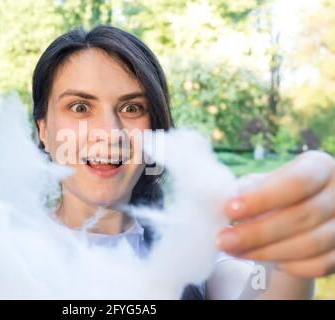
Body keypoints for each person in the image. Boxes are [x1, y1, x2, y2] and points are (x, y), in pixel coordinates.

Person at [31, 25, 335, 299]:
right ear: (43, 129)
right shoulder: (3, 248)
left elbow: (257, 289)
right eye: (80, 107)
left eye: (132, 108)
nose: (111, 133)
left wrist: (285, 259)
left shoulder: (195, 255)